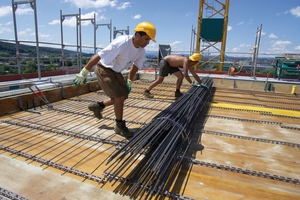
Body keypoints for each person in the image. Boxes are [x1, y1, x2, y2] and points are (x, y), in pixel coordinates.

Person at [73, 22, 156, 139]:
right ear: (137, 35)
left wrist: (129, 80)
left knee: (123, 95)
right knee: (119, 98)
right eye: (146, 39)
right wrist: (85, 71)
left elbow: (135, 66)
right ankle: (119, 126)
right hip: (104, 69)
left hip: (116, 72)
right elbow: (99, 55)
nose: (147, 43)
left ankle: (98, 106)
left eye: (149, 40)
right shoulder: (122, 43)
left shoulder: (141, 50)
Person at [143, 53, 208, 98]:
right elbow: (185, 74)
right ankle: (147, 91)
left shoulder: (190, 65)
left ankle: (177, 92)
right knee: (160, 80)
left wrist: (201, 83)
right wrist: (191, 83)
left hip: (172, 65)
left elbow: (194, 74)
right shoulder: (186, 60)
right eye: (197, 62)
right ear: (195, 61)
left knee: (180, 76)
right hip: (165, 62)